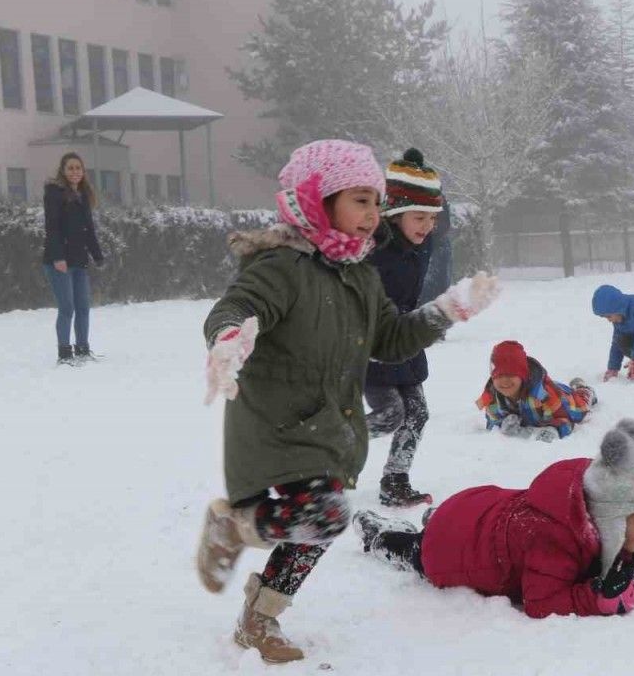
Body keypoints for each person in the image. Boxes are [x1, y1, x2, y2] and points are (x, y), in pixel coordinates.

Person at [194, 139, 499, 664]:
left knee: (317, 526)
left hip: (328, 426)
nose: (373, 214)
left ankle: (258, 619)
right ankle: (231, 527)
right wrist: (228, 339)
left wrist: (447, 310)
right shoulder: (281, 266)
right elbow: (238, 305)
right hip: (277, 424)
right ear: (318, 198)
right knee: (327, 515)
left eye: (377, 202)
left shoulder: (359, 273)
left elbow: (390, 340)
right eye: (360, 199)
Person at [352, 419, 634, 618]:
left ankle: (436, 520)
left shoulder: (590, 495)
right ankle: (380, 536)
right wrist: (593, 599)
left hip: (477, 509)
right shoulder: (554, 537)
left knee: (450, 526)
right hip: (453, 550)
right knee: (417, 550)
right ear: (610, 517)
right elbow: (541, 603)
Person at [366, 148, 446, 507]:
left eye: (432, 217)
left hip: (406, 337)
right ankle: (327, 451)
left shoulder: (423, 243)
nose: (426, 226)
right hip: (372, 345)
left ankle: (395, 480)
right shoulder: (373, 245)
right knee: (388, 415)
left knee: (417, 412)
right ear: (395, 213)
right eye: (419, 217)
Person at [42, 152, 104, 366]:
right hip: (59, 262)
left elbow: (88, 229)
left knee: (83, 307)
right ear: (63, 170)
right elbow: (52, 228)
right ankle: (64, 352)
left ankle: (83, 348)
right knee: (67, 308)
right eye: (71, 168)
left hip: (79, 260)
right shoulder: (54, 194)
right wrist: (58, 257)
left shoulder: (83, 195)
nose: (75, 172)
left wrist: (97, 255)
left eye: (78, 168)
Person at [475, 340, 596, 442]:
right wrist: (502, 425)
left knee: (581, 406)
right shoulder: (492, 398)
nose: (504, 381)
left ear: (522, 375)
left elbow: (565, 421)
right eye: (498, 376)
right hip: (547, 395)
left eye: (511, 375)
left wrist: (552, 429)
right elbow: (492, 423)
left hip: (564, 400)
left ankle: (583, 389)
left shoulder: (544, 395)